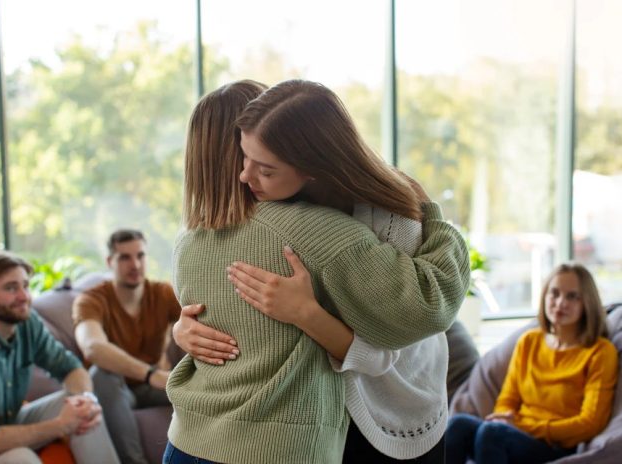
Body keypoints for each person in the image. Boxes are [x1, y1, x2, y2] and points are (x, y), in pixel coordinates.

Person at [164, 79, 470, 464]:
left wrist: (306, 314)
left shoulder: (195, 239)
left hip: (391, 411)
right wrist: (182, 329)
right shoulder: (264, 228)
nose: (245, 175)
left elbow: (397, 340)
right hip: (312, 428)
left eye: (264, 166)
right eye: (246, 156)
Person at [0, 251, 119, 464]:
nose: (24, 296)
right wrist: (61, 425)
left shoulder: (26, 324)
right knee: (21, 458)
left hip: (5, 423)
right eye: (11, 288)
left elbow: (70, 367)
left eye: (25, 286)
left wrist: (87, 400)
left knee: (81, 408)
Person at [445, 262, 619, 464]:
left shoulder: (600, 352)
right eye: (554, 293)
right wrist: (504, 418)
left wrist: (523, 427)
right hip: (515, 434)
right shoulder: (529, 341)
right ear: (545, 296)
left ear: (587, 303)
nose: (560, 303)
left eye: (572, 296)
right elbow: (507, 399)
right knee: (458, 424)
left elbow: (591, 423)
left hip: (558, 446)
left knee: (492, 433)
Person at [73, 229, 181, 464]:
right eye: (125, 257)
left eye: (140, 255)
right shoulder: (91, 300)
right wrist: (150, 374)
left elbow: (202, 318)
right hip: (114, 389)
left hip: (155, 386)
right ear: (109, 261)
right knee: (100, 374)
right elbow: (92, 347)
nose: (135, 265)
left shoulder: (162, 293)